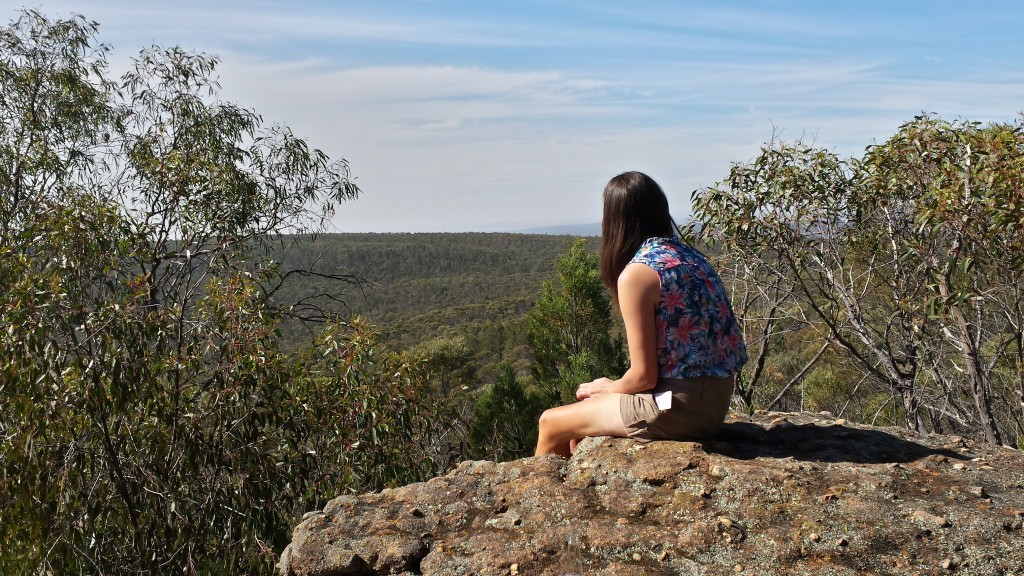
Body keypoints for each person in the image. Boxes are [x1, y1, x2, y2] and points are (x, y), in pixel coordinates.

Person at [535, 171, 748, 457]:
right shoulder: (691, 257)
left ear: (614, 221)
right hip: (715, 402)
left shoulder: (638, 274)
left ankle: (549, 500)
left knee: (550, 422)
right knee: (579, 427)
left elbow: (644, 377)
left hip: (677, 408)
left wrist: (610, 388)